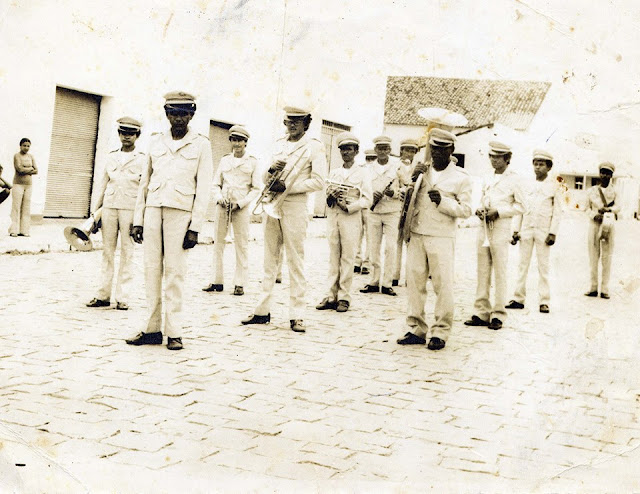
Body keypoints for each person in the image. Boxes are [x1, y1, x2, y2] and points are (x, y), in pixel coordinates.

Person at [127, 91, 213, 350]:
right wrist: (138, 219)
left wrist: (195, 227)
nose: (178, 119)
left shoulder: (201, 144)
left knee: (175, 273)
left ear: (192, 115)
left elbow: (204, 188)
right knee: (151, 270)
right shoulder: (156, 141)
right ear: (166, 114)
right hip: (153, 209)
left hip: (181, 213)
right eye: (173, 114)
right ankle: (152, 329)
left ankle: (174, 332)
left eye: (183, 114)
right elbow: (144, 182)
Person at [242, 106, 327, 333]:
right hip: (272, 203)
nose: (292, 125)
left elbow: (319, 181)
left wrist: (288, 186)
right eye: (289, 121)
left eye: (298, 121)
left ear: (307, 124)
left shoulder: (314, 147)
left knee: (295, 260)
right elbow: (265, 177)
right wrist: (270, 171)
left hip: (295, 206)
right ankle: (262, 311)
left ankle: (297, 315)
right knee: (269, 260)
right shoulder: (278, 144)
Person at [396, 129, 472, 350]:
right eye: (434, 148)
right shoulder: (422, 171)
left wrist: (443, 202)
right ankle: (416, 328)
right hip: (418, 231)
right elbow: (407, 197)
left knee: (442, 284)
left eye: (442, 149)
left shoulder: (461, 177)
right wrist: (411, 181)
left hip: (441, 235)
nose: (437, 153)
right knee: (414, 283)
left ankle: (440, 331)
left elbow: (466, 210)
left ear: (451, 150)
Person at [464, 141, 526, 331]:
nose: (494, 160)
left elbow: (522, 206)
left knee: (500, 270)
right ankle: (481, 311)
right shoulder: (486, 176)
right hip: (484, 226)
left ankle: (498, 314)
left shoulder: (515, 179)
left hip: (500, 226)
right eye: (492, 156)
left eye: (498, 157)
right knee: (482, 270)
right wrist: (479, 209)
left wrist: (499, 212)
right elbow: (482, 198)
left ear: (507, 159)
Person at [86, 117, 146, 311]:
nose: (126, 137)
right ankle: (103, 295)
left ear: (137, 136)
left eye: (131, 133)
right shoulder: (111, 156)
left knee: (128, 253)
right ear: (119, 134)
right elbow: (103, 184)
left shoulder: (143, 159)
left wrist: (140, 218)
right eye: (123, 133)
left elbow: (144, 189)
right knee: (107, 252)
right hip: (110, 207)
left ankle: (122, 297)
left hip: (130, 209)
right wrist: (95, 213)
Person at [316, 132, 372, 312]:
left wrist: (349, 207)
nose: (345, 152)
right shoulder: (334, 172)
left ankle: (344, 297)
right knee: (333, 258)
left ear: (356, 151)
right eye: (342, 149)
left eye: (349, 149)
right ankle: (330, 295)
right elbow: (328, 196)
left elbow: (367, 199)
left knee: (347, 258)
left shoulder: (363, 173)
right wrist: (331, 198)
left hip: (350, 218)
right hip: (334, 217)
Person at [203, 125, 261, 296]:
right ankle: (216, 281)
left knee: (241, 245)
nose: (236, 144)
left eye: (240, 141)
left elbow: (256, 188)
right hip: (223, 206)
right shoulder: (225, 160)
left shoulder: (252, 162)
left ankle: (240, 283)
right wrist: (219, 197)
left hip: (240, 208)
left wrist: (241, 203)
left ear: (246, 142)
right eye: (234, 140)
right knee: (218, 244)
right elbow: (216, 183)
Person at [507, 149, 562, 313]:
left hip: (543, 231)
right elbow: (520, 208)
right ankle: (518, 298)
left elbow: (558, 212)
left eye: (541, 164)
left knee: (543, 266)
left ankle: (544, 301)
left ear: (549, 167)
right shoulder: (526, 185)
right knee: (522, 264)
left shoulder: (555, 186)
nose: (538, 167)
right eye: (535, 164)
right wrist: (515, 230)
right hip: (526, 228)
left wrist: (553, 232)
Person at [360, 135, 408, 296]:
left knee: (390, 247)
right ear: (375, 150)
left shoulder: (398, 166)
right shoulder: (368, 168)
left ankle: (387, 283)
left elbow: (407, 186)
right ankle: (373, 281)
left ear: (389, 150)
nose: (382, 151)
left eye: (385, 149)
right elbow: (362, 188)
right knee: (373, 247)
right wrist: (370, 195)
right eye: (379, 148)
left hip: (392, 211)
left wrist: (394, 193)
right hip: (373, 211)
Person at [584, 162, 619, 299]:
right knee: (593, 256)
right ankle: (593, 287)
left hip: (608, 224)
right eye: (602, 172)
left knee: (607, 257)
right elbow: (586, 208)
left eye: (607, 173)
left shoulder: (615, 191)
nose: (604, 175)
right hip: (594, 224)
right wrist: (594, 215)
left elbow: (619, 206)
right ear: (599, 174)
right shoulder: (592, 191)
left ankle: (604, 289)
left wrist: (609, 210)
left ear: (611, 175)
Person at [393, 138, 420, 286]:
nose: (409, 153)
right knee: (396, 242)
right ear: (401, 151)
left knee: (411, 243)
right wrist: (400, 192)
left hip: (412, 209)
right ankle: (394, 275)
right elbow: (393, 186)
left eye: (412, 151)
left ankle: (410, 277)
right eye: (407, 150)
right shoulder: (395, 166)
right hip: (397, 207)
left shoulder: (418, 167)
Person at [354, 148, 377, 275]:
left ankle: (367, 262)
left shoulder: (378, 171)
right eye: (368, 159)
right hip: (359, 205)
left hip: (371, 206)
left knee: (370, 236)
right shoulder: (360, 170)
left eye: (373, 159)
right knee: (357, 234)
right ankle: (357, 261)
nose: (370, 161)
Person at [9, 138, 38, 237]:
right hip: (18, 184)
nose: (26, 148)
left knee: (26, 207)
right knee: (16, 207)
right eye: (24, 145)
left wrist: (26, 169)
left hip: (29, 185)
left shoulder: (31, 156)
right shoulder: (17, 156)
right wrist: (30, 169)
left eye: (28, 146)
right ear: (20, 146)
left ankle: (24, 230)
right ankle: (14, 230)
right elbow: (19, 169)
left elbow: (36, 170)